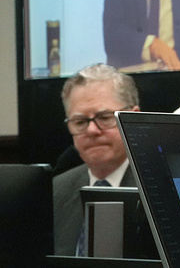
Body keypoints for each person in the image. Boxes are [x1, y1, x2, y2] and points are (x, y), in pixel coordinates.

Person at [52, 64, 141, 256]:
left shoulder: (159, 186)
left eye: (104, 117)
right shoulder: (55, 191)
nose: (92, 131)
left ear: (133, 117)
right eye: (80, 122)